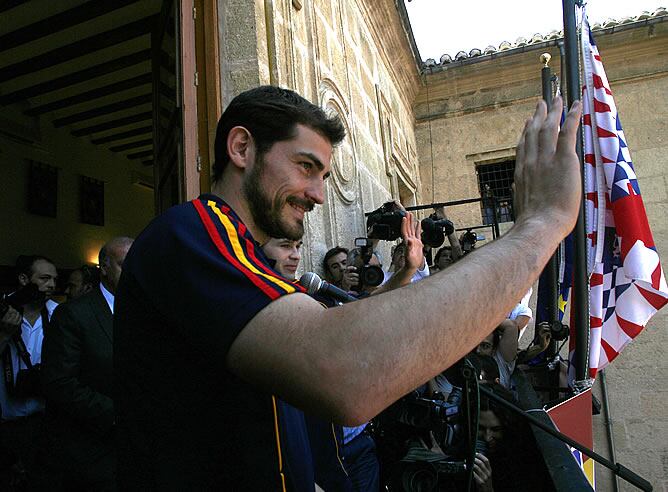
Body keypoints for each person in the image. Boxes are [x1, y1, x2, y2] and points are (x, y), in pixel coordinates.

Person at [114, 85, 582, 490]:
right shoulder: (193, 232)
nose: (318, 194)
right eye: (305, 166)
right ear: (241, 148)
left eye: (323, 176)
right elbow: (343, 371)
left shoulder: (251, 258)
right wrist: (540, 226)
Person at [41, 237, 133, 491]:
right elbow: (59, 382)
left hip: (138, 451)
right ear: (103, 267)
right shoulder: (74, 314)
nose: (134, 270)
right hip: (91, 453)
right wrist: (118, 415)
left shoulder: (145, 311)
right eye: (125, 264)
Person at [0, 255, 58, 489]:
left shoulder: (59, 314)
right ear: (24, 279)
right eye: (44, 278)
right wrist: (4, 334)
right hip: (7, 426)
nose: (52, 285)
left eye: (55, 279)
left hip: (47, 423)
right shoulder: (3, 310)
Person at [475, 319, 519, 390]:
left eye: (485, 346)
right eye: (475, 345)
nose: (477, 350)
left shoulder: (501, 360)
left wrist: (480, 320)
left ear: (494, 349)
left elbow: (511, 326)